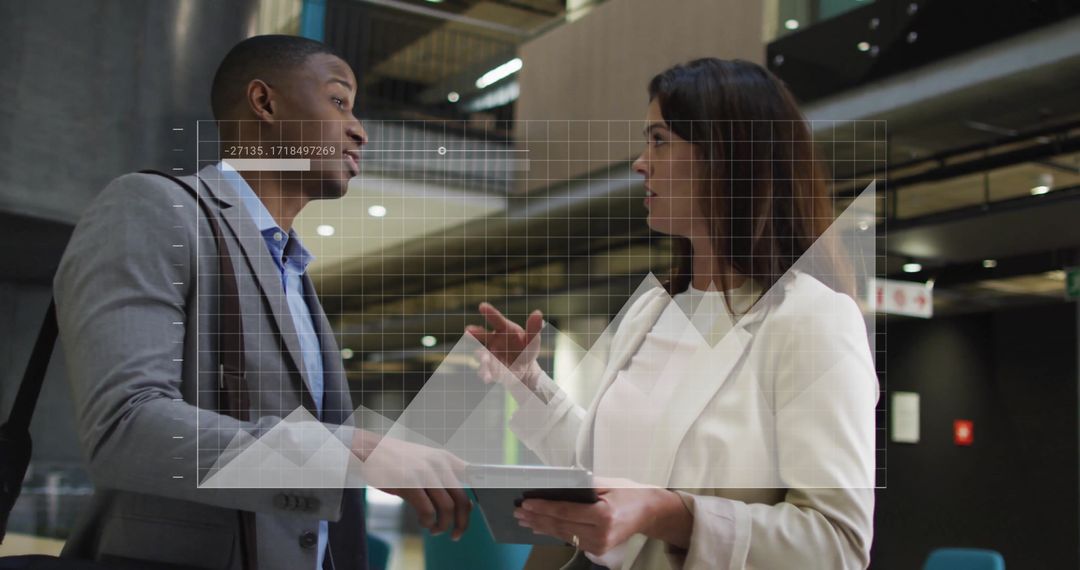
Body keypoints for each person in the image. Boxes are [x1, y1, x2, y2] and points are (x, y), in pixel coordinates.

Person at [54, 35, 469, 570]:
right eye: (339, 101)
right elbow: (125, 428)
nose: (360, 130)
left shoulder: (292, 269)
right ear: (265, 102)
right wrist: (353, 450)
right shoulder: (155, 210)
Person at [468, 58, 878, 569]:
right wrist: (529, 382)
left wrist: (673, 515)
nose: (641, 162)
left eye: (660, 140)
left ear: (726, 155)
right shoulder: (653, 311)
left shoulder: (810, 319)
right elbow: (606, 472)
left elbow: (838, 542)